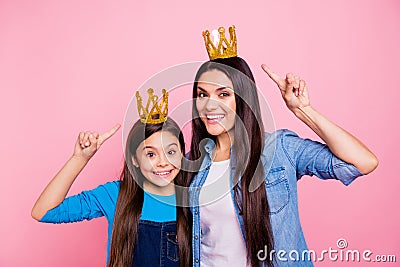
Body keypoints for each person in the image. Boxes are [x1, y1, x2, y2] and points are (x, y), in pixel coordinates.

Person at [187, 26, 378, 266]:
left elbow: (363, 162)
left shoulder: (279, 150)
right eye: (202, 94)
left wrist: (303, 110)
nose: (209, 105)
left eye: (223, 94)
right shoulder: (191, 166)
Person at [31, 90, 192, 267]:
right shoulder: (114, 194)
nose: (163, 162)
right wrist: (80, 158)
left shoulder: (192, 198)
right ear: (134, 160)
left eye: (171, 152)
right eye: (151, 154)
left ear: (182, 154)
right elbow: (43, 212)